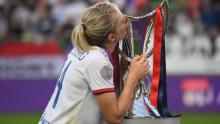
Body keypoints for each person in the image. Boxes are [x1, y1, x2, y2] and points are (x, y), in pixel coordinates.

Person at [39, 1, 149, 124]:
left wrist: (126, 34)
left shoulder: (85, 48)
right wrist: (133, 77)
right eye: (121, 20)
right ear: (111, 37)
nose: (126, 20)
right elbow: (115, 118)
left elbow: (116, 68)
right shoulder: (97, 60)